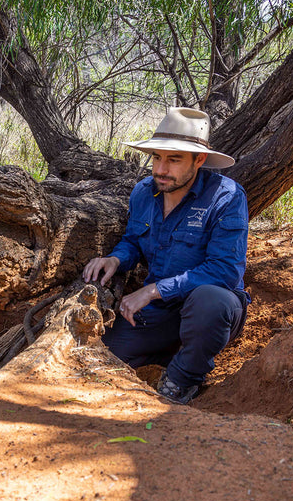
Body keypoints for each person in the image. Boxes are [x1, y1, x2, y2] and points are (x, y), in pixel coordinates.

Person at [83, 107, 249, 404]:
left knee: (209, 303)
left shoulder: (227, 196)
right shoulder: (143, 193)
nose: (161, 169)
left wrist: (153, 290)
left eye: (173, 160)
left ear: (199, 160)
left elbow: (225, 270)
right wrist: (116, 259)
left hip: (211, 308)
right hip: (161, 311)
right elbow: (133, 241)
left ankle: (182, 379)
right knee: (105, 355)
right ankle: (172, 351)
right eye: (157, 157)